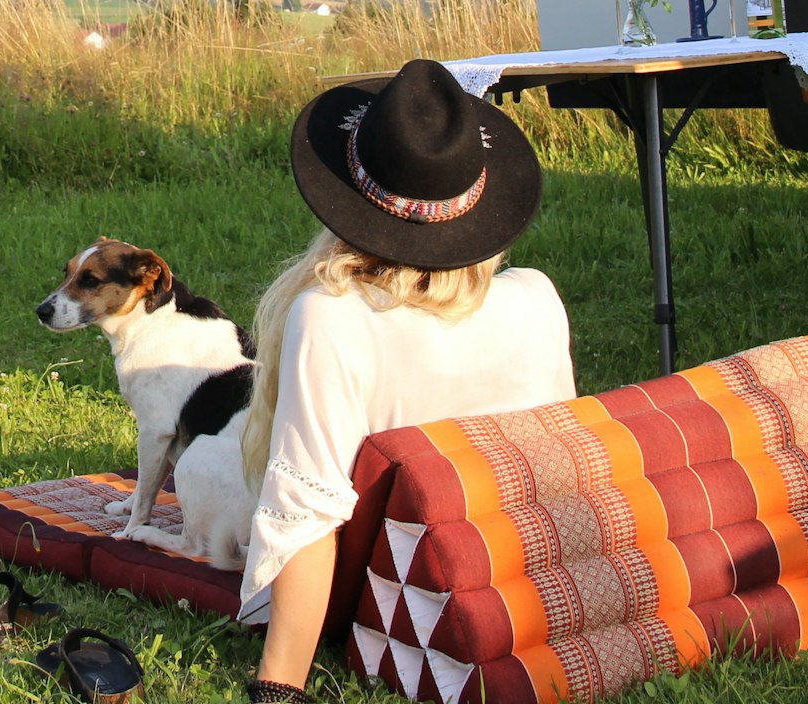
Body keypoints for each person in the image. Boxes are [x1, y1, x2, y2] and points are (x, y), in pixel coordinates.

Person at [237, 58, 574, 703]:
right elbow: (551, 470)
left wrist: (279, 688)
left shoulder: (331, 318)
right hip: (513, 590)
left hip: (397, 594)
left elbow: (308, 514)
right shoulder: (535, 297)